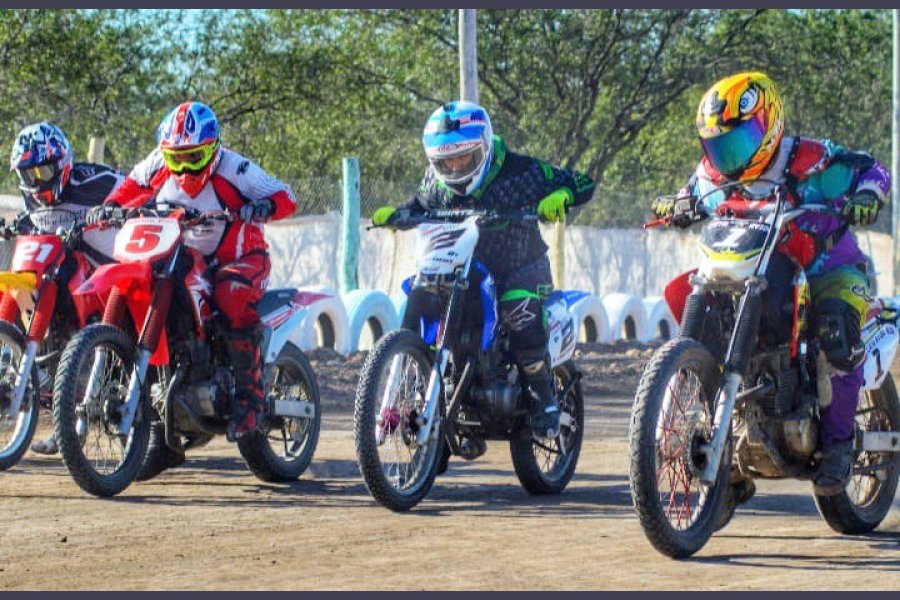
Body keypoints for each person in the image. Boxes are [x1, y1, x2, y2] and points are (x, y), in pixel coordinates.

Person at [650, 72, 891, 496]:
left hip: (827, 268)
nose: (731, 157)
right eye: (721, 146)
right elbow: (690, 193)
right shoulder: (713, 173)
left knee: (834, 334)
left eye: (741, 141)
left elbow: (873, 170)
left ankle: (837, 446)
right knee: (699, 304)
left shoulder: (811, 160)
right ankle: (724, 452)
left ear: (770, 123)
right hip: (750, 269)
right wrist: (674, 204)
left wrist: (867, 195)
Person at [372, 101, 595, 440]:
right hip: (457, 266)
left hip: (518, 267)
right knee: (420, 296)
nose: (456, 166)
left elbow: (581, 182)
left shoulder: (522, 171)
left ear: (485, 146)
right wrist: (399, 213)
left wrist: (561, 194)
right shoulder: (437, 181)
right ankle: (416, 396)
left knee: (517, 311)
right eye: (446, 161)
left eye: (464, 158)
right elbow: (421, 204)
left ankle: (542, 398)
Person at [94, 101, 297, 442]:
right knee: (141, 281)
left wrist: (263, 205)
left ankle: (250, 400)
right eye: (177, 157)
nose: (184, 167)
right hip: (179, 253)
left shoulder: (237, 168)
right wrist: (108, 209)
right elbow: (127, 189)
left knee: (230, 295)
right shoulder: (157, 163)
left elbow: (286, 195)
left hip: (241, 256)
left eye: (193, 157)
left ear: (213, 149)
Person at [8, 122, 123, 455]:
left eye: (43, 170)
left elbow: (139, 191)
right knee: (57, 334)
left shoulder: (97, 180)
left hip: (109, 269)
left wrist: (120, 210)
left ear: (62, 164)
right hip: (63, 273)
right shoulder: (31, 198)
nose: (37, 181)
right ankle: (67, 427)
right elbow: (38, 226)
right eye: (28, 175)